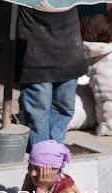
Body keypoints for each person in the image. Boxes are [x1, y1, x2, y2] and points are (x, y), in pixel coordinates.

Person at [16, 6, 86, 150]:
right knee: (39, 108)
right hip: (34, 39)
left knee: (65, 105)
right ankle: (41, 154)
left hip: (68, 42)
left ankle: (53, 148)